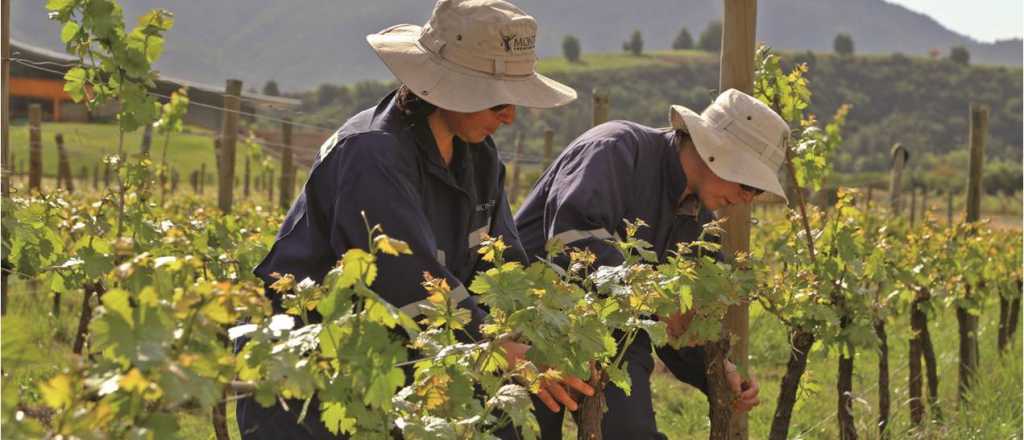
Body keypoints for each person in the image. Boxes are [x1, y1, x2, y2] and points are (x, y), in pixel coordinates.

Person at [236, 1, 592, 438]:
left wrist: (548, 327)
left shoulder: (478, 155)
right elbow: (410, 281)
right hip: (315, 384)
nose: (510, 116)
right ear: (447, 90)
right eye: (498, 100)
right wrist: (497, 348)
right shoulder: (371, 154)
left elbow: (502, 265)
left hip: (412, 363)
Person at [514, 88, 787, 438]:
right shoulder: (614, 149)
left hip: (617, 336)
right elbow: (571, 239)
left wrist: (718, 370)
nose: (747, 198)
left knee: (632, 433)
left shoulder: (701, 226)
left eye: (757, 192)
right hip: (534, 323)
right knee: (528, 432)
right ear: (716, 152)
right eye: (748, 183)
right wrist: (656, 299)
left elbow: (679, 322)